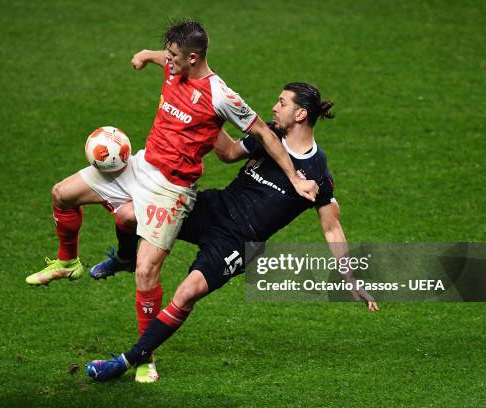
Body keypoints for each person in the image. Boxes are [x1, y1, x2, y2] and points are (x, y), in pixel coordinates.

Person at [25, 20, 317, 382]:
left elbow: (262, 133)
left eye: (174, 55)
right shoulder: (173, 65)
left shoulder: (222, 95)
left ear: (193, 58)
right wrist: (145, 57)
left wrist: (295, 177)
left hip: (172, 190)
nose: (169, 60)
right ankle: (68, 262)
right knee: (61, 193)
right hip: (140, 165)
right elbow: (160, 58)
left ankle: (145, 358)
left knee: (147, 273)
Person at [85, 82, 379, 382]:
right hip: (214, 207)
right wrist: (211, 110)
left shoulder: (317, 172)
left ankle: (126, 361)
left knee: (186, 294)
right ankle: (125, 258)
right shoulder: (269, 137)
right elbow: (226, 152)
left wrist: (349, 276)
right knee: (128, 214)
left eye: (282, 102)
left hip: (238, 241)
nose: (275, 107)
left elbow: (332, 228)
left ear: (301, 113)